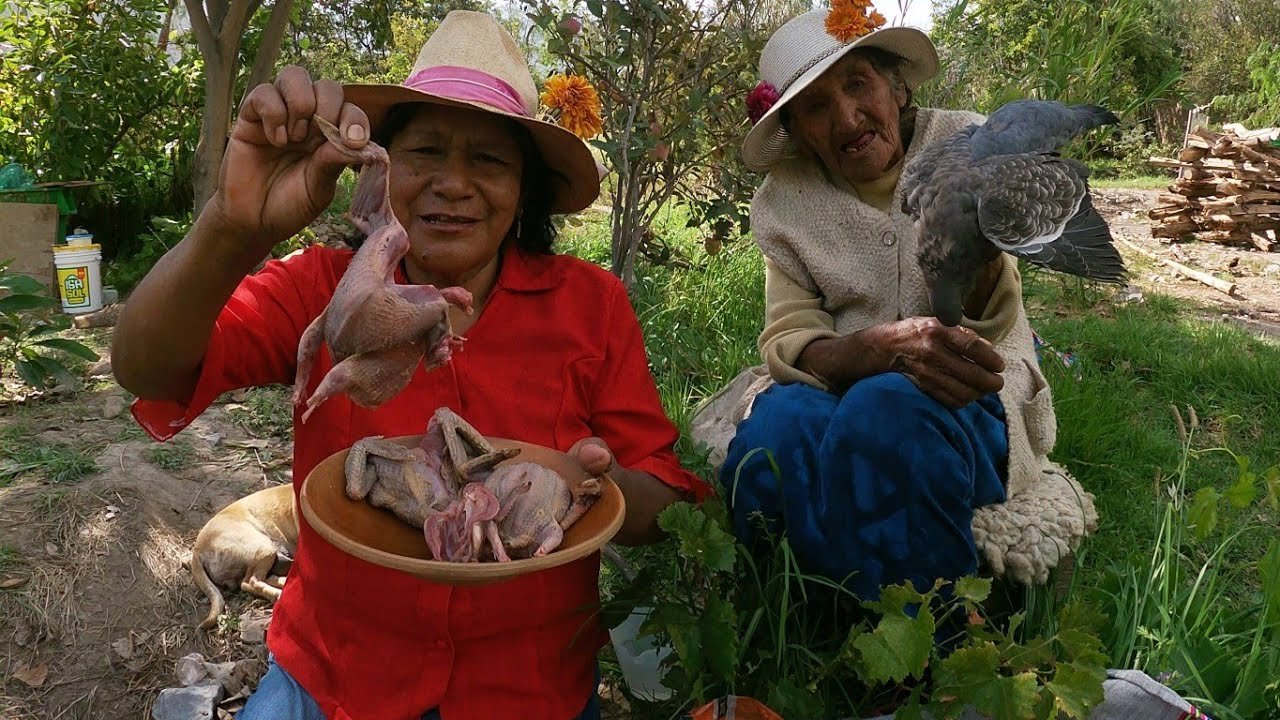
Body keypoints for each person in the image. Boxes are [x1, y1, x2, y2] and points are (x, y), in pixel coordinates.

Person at [113, 11, 711, 720]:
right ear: (383, 171)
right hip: (339, 675)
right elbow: (146, 370)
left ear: (526, 190)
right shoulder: (323, 287)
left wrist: (585, 484)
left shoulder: (591, 306)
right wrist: (232, 225)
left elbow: (665, 497)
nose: (453, 184)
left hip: (527, 688)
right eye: (426, 151)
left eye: (489, 160)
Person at [689, 5, 1098, 604]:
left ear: (897, 87)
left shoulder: (969, 144)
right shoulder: (783, 202)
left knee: (888, 417)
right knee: (775, 433)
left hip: (972, 388)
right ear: (797, 131)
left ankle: (934, 637)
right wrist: (873, 350)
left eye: (859, 84)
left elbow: (991, 317)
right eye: (817, 107)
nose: (848, 117)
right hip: (841, 386)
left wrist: (972, 250)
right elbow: (790, 337)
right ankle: (809, 613)